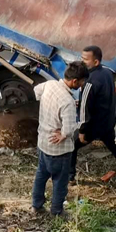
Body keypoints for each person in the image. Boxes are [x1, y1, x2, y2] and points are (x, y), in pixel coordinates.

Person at [32, 61, 89, 217]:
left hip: (43, 142)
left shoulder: (49, 85)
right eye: (82, 82)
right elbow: (69, 129)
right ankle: (57, 211)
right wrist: (63, 134)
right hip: (59, 151)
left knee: (41, 176)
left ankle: (36, 205)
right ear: (75, 81)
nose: (82, 85)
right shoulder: (67, 102)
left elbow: (36, 91)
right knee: (60, 182)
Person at [74, 45, 116, 185]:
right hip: (107, 121)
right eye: (82, 58)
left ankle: (70, 177)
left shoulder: (89, 81)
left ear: (96, 62)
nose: (82, 62)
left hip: (94, 126)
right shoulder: (107, 72)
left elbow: (85, 109)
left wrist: (82, 131)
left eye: (85, 59)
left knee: (72, 147)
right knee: (114, 146)